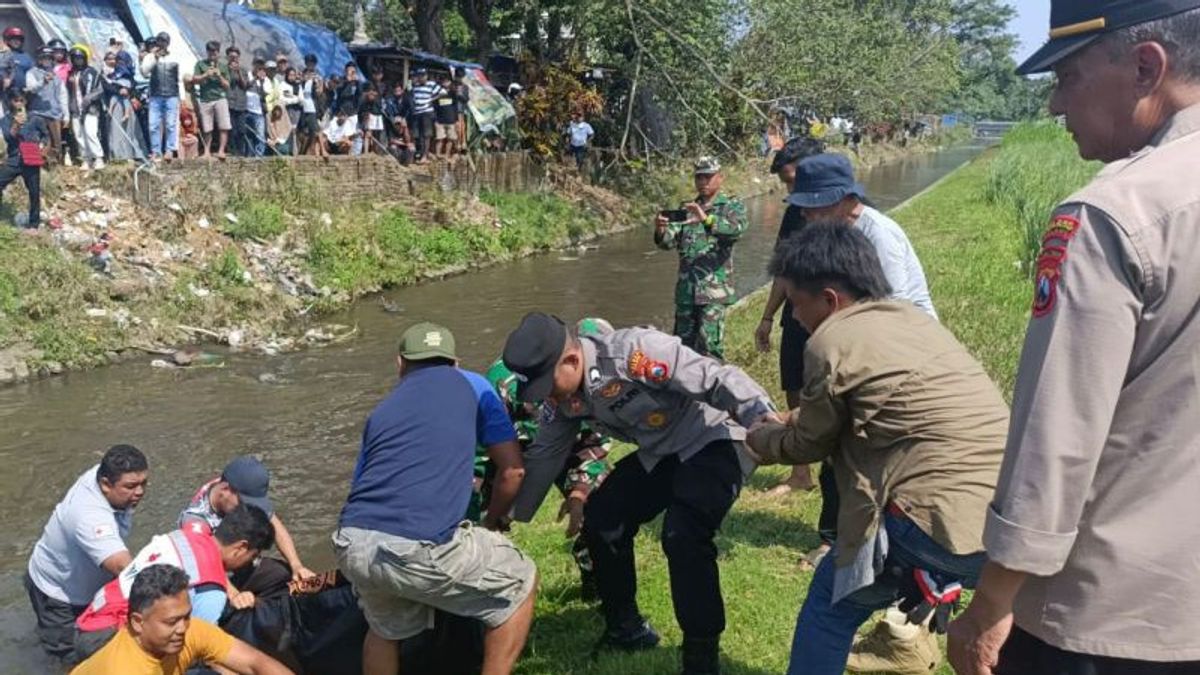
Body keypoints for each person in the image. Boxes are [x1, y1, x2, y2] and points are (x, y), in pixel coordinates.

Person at [948, 4, 1200, 675]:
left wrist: (991, 600)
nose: (1058, 106)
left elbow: (1056, 437)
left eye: (1069, 77)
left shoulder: (1117, 213)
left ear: (1147, 67)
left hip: (1106, 619)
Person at [745, 223, 1007, 675]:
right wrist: (790, 418)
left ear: (829, 300)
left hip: (933, 525)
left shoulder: (830, 341)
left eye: (796, 305)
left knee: (831, 608)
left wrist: (760, 437)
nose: (795, 318)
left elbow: (810, 442)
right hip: (1005, 521)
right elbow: (865, 406)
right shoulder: (910, 320)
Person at [501, 312, 777, 674]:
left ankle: (700, 657)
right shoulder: (564, 398)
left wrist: (761, 417)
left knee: (683, 534)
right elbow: (544, 457)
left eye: (546, 384)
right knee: (602, 518)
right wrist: (505, 517)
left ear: (570, 360)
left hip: (711, 438)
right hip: (661, 453)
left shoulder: (632, 352)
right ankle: (626, 628)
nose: (547, 396)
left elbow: (716, 377)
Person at [333, 322, 537, 675]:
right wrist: (492, 523)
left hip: (353, 540)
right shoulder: (475, 386)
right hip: (413, 545)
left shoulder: (383, 411)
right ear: (456, 362)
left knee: (384, 630)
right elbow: (513, 471)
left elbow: (363, 486)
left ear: (400, 364)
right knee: (520, 578)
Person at [474, 321, 613, 599]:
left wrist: (579, 491)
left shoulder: (594, 379)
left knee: (601, 505)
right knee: (479, 524)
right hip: (507, 449)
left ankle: (598, 578)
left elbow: (593, 442)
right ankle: (479, 589)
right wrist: (491, 510)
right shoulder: (503, 380)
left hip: (565, 446)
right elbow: (479, 447)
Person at [74, 504, 275, 660]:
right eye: (253, 556)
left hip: (90, 619)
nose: (250, 563)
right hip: (108, 640)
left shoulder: (184, 536)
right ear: (241, 547)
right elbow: (196, 646)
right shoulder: (211, 592)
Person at [25, 445, 148, 660]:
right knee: (69, 658)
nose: (139, 492)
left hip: (78, 578)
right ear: (105, 485)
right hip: (59, 595)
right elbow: (122, 566)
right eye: (130, 486)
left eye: (143, 483)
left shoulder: (104, 474)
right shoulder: (89, 516)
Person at [755, 136, 826, 498]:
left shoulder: (843, 211)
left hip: (832, 320)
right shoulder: (793, 213)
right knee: (795, 385)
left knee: (830, 391)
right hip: (797, 315)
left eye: (790, 178)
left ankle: (834, 468)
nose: (789, 188)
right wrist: (768, 316)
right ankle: (801, 471)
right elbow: (783, 269)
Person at [70, 565, 293, 674]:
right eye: (171, 622)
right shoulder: (123, 669)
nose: (182, 628)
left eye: (186, 616)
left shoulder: (189, 630)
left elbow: (256, 663)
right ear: (138, 622)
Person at [654, 156, 747, 360]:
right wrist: (661, 230)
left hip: (713, 292)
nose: (703, 182)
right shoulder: (686, 207)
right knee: (681, 349)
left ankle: (712, 389)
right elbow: (668, 242)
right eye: (699, 178)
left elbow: (735, 231)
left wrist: (706, 219)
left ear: (720, 178)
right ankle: (683, 390)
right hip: (686, 292)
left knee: (709, 349)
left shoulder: (731, 206)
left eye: (708, 177)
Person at [179, 456, 315, 585]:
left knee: (285, 573)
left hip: (241, 558)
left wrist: (296, 565)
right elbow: (203, 565)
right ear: (225, 490)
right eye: (244, 502)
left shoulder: (234, 486)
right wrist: (235, 596)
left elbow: (274, 525)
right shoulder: (195, 521)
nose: (247, 507)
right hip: (213, 574)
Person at [0, 89, 48, 228]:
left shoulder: (35, 118)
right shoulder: (5, 120)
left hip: (31, 158)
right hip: (15, 159)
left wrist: (43, 148)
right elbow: (9, 138)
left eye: (22, 100)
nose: (19, 104)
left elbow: (45, 135)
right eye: (16, 101)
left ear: (26, 101)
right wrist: (16, 125)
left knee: (34, 192)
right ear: (10, 102)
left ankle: (34, 224)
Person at [140, 32, 180, 161]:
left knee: (170, 124)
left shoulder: (175, 56)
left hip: (172, 94)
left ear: (168, 43)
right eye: (160, 41)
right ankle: (156, 151)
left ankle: (169, 150)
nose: (162, 43)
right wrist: (155, 58)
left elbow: (180, 77)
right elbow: (144, 72)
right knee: (153, 125)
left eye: (165, 41)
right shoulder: (150, 56)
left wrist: (183, 96)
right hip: (155, 95)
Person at [24, 47, 66, 166]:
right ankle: (34, 167)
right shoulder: (31, 72)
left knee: (56, 143)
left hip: (54, 113)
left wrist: (65, 114)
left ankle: (54, 167)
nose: (46, 60)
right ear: (39, 59)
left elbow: (63, 95)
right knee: (36, 140)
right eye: (44, 58)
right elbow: (31, 89)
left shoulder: (56, 75)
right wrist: (43, 81)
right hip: (37, 113)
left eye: (49, 58)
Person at [66, 47, 105, 170]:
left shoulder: (92, 72)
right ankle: (85, 159)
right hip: (75, 107)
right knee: (79, 134)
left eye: (80, 58)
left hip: (90, 109)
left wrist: (89, 98)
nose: (78, 61)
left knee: (90, 132)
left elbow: (99, 90)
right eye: (75, 58)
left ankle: (98, 158)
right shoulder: (71, 74)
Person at [191, 40, 230, 159]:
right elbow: (194, 79)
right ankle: (206, 151)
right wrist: (205, 75)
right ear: (207, 52)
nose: (213, 53)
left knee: (224, 125)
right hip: (205, 99)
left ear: (218, 52)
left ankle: (221, 150)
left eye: (215, 51)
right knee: (207, 127)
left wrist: (219, 76)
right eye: (210, 51)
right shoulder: (200, 64)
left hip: (220, 98)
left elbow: (227, 85)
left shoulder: (223, 66)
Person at [408, 68, 442, 163]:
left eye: (423, 75)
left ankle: (425, 156)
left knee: (426, 135)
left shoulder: (431, 84)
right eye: (419, 75)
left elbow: (442, 92)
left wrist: (431, 99)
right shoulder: (415, 85)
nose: (421, 77)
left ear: (426, 76)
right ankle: (415, 155)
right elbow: (411, 96)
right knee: (416, 135)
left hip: (427, 112)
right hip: (417, 112)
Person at [298, 55, 323, 155]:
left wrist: (316, 84)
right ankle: (301, 152)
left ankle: (310, 152)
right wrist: (304, 79)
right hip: (301, 105)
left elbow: (319, 92)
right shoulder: (301, 73)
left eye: (312, 63)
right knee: (300, 131)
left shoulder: (318, 76)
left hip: (312, 106)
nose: (310, 64)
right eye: (308, 62)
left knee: (314, 130)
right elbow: (297, 82)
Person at [226, 47, 248, 157]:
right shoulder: (224, 69)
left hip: (241, 104)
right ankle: (233, 152)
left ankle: (241, 152)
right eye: (231, 57)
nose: (234, 59)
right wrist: (230, 71)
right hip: (229, 103)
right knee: (232, 130)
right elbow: (226, 84)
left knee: (241, 130)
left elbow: (245, 86)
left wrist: (238, 72)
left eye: (236, 57)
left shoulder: (243, 70)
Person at [243, 59, 268, 158]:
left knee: (260, 135)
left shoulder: (262, 80)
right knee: (247, 135)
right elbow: (245, 86)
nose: (259, 69)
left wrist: (261, 82)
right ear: (253, 65)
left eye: (261, 67)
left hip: (258, 110)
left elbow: (262, 96)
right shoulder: (247, 74)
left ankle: (259, 156)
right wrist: (255, 78)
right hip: (247, 109)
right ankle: (248, 155)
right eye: (258, 66)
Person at [0, 26, 33, 95]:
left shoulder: (26, 56)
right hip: (3, 93)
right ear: (7, 40)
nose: (17, 41)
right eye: (13, 39)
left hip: (21, 94)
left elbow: (33, 73)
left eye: (19, 39)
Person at [433, 72, 459, 157]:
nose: (445, 83)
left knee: (450, 139)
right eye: (443, 81)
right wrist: (435, 120)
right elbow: (434, 107)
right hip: (440, 120)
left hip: (451, 120)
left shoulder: (453, 93)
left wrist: (456, 120)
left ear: (450, 82)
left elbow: (456, 107)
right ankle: (438, 154)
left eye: (447, 81)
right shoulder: (438, 93)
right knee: (439, 138)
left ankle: (447, 154)